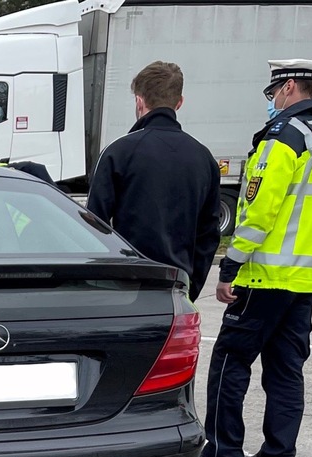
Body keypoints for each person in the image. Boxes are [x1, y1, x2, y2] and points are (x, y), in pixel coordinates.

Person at [193, 59, 312, 457]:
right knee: (286, 369)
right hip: (307, 277)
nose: (271, 101)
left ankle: (223, 452)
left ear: (290, 87)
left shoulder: (284, 137)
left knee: (229, 360)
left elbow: (261, 209)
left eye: (272, 93)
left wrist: (231, 265)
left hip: (266, 274)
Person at [86, 61, 221, 303]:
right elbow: (209, 234)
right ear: (179, 102)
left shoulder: (118, 152)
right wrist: (190, 290)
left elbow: (94, 225)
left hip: (125, 287)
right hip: (177, 289)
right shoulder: (203, 157)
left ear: (139, 101)